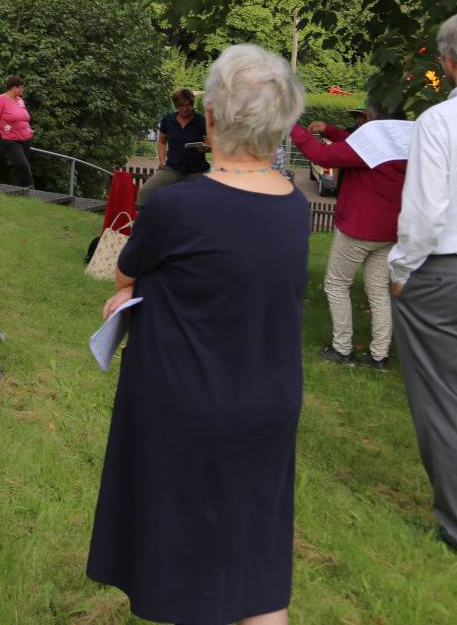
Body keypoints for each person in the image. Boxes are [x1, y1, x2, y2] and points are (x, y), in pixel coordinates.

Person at [87, 43, 308, 623]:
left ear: (210, 119)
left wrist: (130, 294)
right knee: (255, 562)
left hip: (186, 397)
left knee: (182, 560)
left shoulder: (178, 207)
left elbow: (124, 271)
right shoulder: (293, 205)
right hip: (268, 395)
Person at [389, 10, 457, 558]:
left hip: (444, 271)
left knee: (445, 402)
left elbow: (423, 214)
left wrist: (399, 272)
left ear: (445, 62)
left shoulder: (438, 123)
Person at [290, 105, 408, 370]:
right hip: (391, 230)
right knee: (378, 291)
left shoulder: (374, 140)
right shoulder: (408, 137)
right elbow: (361, 147)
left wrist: (292, 127)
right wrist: (330, 130)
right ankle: (379, 356)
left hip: (359, 228)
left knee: (336, 284)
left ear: (373, 115)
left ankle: (342, 349)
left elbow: (322, 154)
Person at [135, 89, 210, 207]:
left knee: (196, 203)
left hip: (196, 170)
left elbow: (210, 144)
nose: (184, 109)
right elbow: (162, 142)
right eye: (180, 106)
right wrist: (162, 160)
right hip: (173, 168)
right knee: (144, 192)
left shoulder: (201, 121)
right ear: (175, 105)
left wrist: (206, 147)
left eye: (187, 105)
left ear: (192, 104)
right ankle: (144, 222)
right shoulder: (168, 120)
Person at [0, 76, 34, 189]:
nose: (23, 90)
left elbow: (23, 117)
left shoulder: (20, 100)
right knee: (22, 164)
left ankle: (19, 189)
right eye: (21, 87)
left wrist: (28, 128)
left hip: (25, 137)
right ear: (14, 87)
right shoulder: (0, 100)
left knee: (21, 166)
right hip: (9, 137)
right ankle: (31, 187)